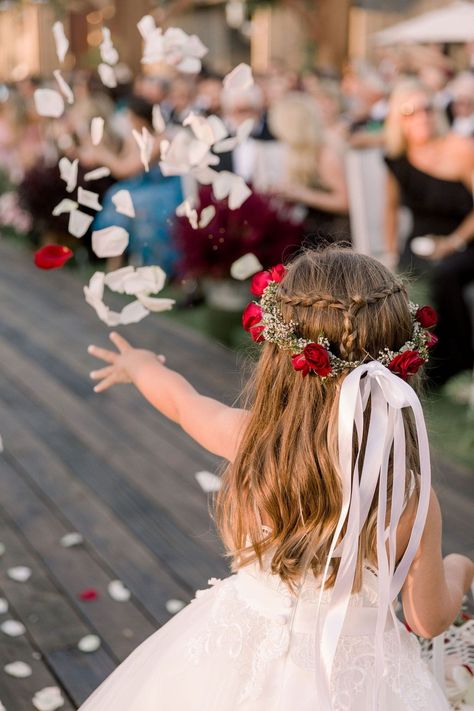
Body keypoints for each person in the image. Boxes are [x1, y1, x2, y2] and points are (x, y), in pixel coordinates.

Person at [81, 246, 473, 711]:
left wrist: (141, 366)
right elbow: (427, 620)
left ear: (280, 357)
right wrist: (459, 569)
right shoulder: (406, 494)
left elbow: (182, 402)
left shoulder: (251, 440)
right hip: (361, 683)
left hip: (235, 652)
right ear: (402, 363)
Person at [383, 78, 474, 386]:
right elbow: (390, 209)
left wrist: (453, 242)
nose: (421, 116)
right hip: (420, 240)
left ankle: (456, 363)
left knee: (445, 274)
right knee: (400, 278)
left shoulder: (461, 148)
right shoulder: (398, 158)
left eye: (427, 108)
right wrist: (389, 253)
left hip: (465, 238)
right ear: (398, 119)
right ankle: (407, 361)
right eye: (409, 111)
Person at [268, 91, 350, 243]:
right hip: (317, 230)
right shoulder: (304, 151)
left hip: (335, 235)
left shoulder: (325, 152)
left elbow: (345, 202)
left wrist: (302, 194)